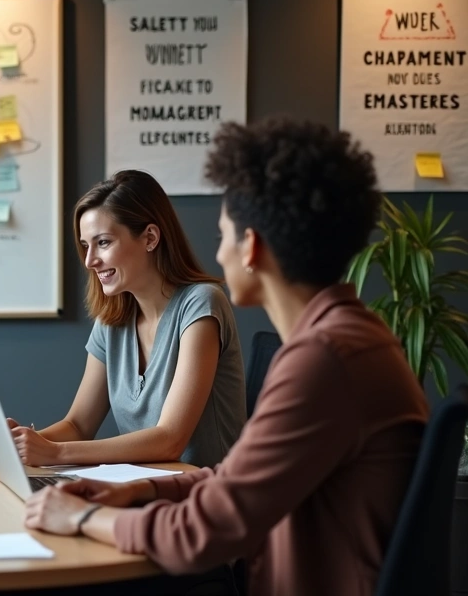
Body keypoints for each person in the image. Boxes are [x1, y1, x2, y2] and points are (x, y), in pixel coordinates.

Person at [23, 118, 429, 596]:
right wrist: (144, 489)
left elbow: (201, 532)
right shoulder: (342, 341)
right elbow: (238, 477)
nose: (218, 253)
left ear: (251, 245)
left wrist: (85, 515)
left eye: (222, 235)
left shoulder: (326, 360)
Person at [0, 169, 245, 468]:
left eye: (103, 242)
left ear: (150, 237)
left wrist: (54, 453)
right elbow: (79, 425)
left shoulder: (201, 303)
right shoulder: (112, 318)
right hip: (144, 493)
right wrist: (22, 443)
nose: (90, 260)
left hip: (208, 498)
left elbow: (170, 439)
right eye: (85, 245)